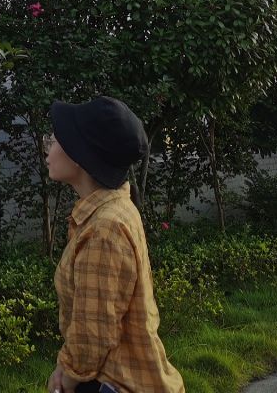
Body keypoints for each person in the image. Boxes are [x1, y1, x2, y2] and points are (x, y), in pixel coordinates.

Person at [45, 97, 185, 393]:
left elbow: (93, 330)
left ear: (79, 155)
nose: (48, 147)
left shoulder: (104, 228)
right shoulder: (112, 209)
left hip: (112, 384)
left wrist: (65, 380)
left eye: (55, 140)